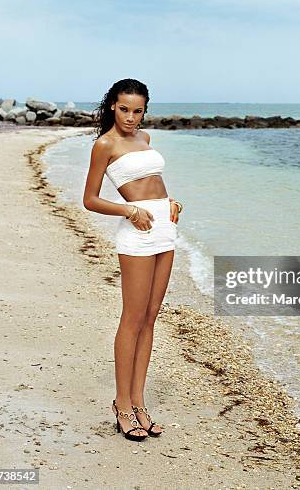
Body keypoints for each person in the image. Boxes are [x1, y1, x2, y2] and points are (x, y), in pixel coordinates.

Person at [83, 78, 183, 441]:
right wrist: (128, 210)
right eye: (124, 108)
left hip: (165, 229)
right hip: (137, 233)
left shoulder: (145, 139)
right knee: (132, 318)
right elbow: (90, 199)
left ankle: (139, 402)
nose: (131, 117)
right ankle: (122, 404)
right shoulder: (104, 145)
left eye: (137, 110)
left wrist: (171, 203)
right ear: (112, 105)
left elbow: (153, 181)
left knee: (151, 318)